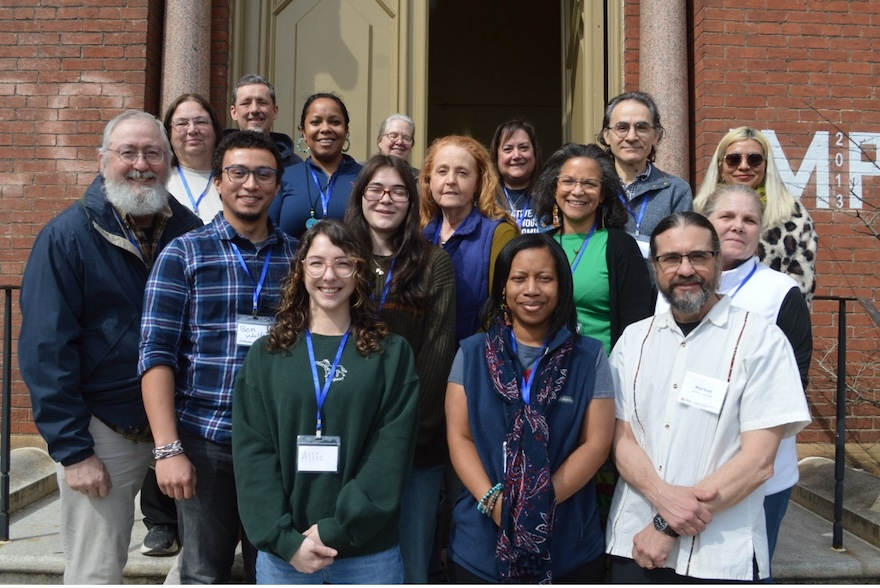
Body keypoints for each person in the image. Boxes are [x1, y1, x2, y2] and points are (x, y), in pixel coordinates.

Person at [18, 110, 201, 584]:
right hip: (103, 428)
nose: (141, 164)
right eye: (128, 153)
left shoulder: (191, 231)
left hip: (182, 424)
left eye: (153, 153)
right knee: (94, 572)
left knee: (200, 562)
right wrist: (73, 450)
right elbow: (45, 349)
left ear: (169, 161)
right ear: (102, 161)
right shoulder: (66, 238)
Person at [606, 211, 811, 583]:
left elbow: (758, 462)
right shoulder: (633, 341)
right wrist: (662, 500)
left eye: (698, 257)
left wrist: (665, 525)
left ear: (718, 262)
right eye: (671, 258)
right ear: (655, 267)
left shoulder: (761, 341)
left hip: (720, 555)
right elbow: (621, 437)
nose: (685, 269)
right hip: (634, 545)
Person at [139, 130, 298, 583]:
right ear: (218, 183)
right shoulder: (183, 254)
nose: (250, 183)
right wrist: (167, 450)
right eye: (238, 172)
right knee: (203, 574)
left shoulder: (300, 259)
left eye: (263, 173)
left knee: (272, 569)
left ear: (277, 185)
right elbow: (155, 355)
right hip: (207, 442)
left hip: (277, 447)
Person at [232, 220, 420, 584]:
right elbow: (253, 454)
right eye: (316, 262)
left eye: (342, 263)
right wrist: (283, 539)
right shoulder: (267, 355)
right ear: (301, 271)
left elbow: (390, 457)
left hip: (368, 555)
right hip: (287, 556)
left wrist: (336, 529)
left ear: (358, 272)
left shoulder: (392, 355)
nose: (329, 275)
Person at [445, 234, 615, 583]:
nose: (531, 289)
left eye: (545, 278)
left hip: (569, 543)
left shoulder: (589, 357)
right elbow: (459, 437)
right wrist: (495, 503)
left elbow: (596, 444)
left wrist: (536, 504)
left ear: (562, 287)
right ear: (503, 288)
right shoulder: (472, 353)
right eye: (519, 278)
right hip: (480, 545)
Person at [685, 184, 811, 576]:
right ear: (706, 222)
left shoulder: (780, 293)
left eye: (749, 220)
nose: (738, 227)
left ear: (761, 230)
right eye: (727, 217)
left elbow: (790, 390)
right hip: (682, 463)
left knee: (746, 572)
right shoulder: (676, 282)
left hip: (755, 472)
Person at [344, 155, 457, 583]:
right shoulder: (338, 257)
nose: (385, 199)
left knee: (410, 562)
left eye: (398, 191)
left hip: (414, 442)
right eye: (375, 189)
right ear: (360, 196)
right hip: (347, 436)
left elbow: (438, 350)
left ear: (412, 202)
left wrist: (405, 428)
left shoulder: (434, 263)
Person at [532, 143, 653, 356]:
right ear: (554, 188)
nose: (577, 191)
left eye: (589, 184)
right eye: (568, 181)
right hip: (545, 371)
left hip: (602, 374)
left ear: (603, 194)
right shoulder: (539, 247)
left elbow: (637, 325)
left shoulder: (621, 247)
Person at [693, 126, 818, 303]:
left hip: (767, 318)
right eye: (733, 159)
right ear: (720, 166)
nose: (744, 166)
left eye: (754, 159)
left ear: (766, 165)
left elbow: (799, 288)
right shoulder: (699, 212)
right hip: (703, 315)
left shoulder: (792, 216)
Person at [420, 135, 518, 344]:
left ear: (478, 183)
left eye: (462, 173)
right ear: (429, 181)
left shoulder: (500, 233)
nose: (451, 180)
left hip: (475, 359)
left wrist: (470, 354)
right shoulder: (418, 234)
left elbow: (505, 307)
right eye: (442, 171)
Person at [598, 91, 693, 257]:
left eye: (641, 128)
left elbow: (681, 252)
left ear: (656, 135)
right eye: (622, 128)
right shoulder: (592, 186)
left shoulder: (675, 190)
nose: (632, 137)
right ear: (606, 135)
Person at [271, 92, 363, 239]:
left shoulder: (365, 178)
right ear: (304, 132)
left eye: (335, 122)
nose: (325, 128)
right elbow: (267, 234)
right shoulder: (282, 178)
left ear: (346, 131)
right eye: (315, 122)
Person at [163, 92, 224, 224]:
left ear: (215, 129)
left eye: (201, 121)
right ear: (168, 133)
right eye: (182, 123)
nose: (192, 130)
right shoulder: (159, 182)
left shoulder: (233, 178)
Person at [228, 73, 303, 168]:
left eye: (262, 102)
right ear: (234, 112)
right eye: (246, 103)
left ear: (274, 111)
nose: (254, 109)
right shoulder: (216, 160)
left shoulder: (295, 166)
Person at [489, 120, 549, 234]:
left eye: (523, 148)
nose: (516, 155)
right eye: (508, 149)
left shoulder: (551, 196)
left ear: (534, 153)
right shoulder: (485, 199)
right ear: (496, 156)